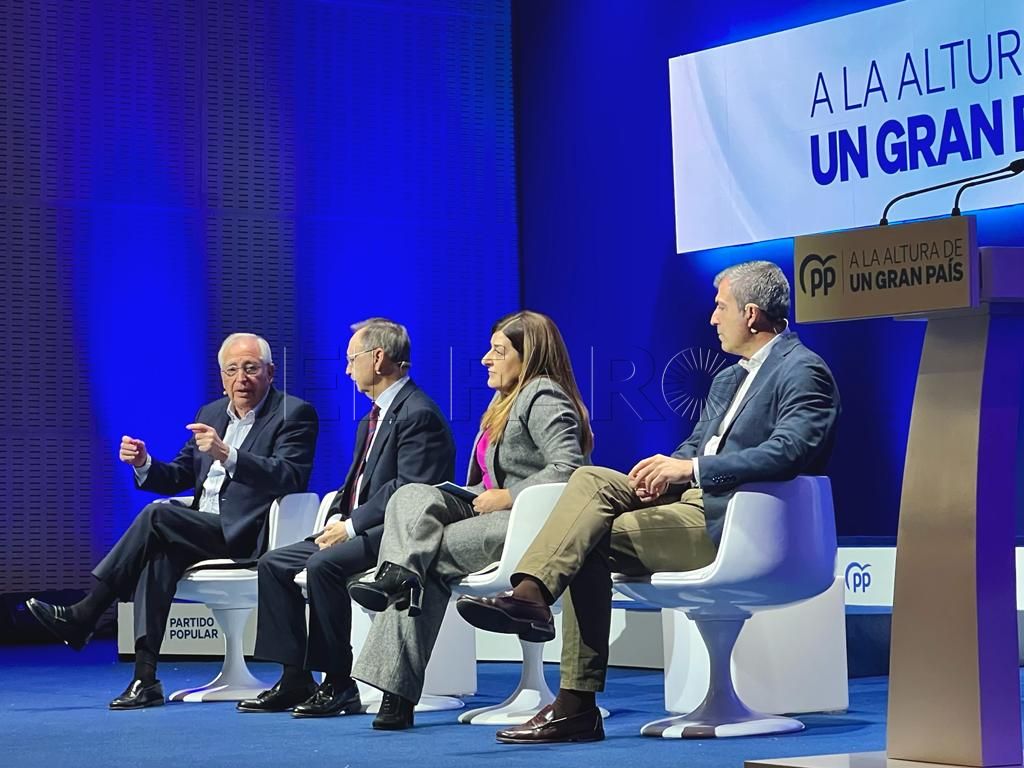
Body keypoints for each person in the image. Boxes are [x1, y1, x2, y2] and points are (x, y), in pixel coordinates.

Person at [457, 261, 841, 744]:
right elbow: (698, 445)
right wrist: (662, 471)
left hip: (735, 522)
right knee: (592, 478)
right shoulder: (728, 379)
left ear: (750, 313)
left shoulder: (803, 369)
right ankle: (533, 601)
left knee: (586, 538)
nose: (712, 318)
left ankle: (571, 694)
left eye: (720, 307)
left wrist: (691, 470)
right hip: (691, 503)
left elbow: (792, 450)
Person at [27, 333, 318, 709]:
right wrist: (143, 463)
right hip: (202, 530)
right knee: (157, 555)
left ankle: (86, 613)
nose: (241, 378)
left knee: (158, 514)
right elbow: (179, 473)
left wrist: (227, 454)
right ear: (222, 377)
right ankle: (144, 679)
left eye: (251, 368)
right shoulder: (210, 413)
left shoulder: (294, 413)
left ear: (271, 372)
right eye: (232, 370)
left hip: (249, 532)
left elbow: (289, 476)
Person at [348, 310, 592, 730]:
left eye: (498, 351)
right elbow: (488, 479)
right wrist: (478, 493)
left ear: (529, 356)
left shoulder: (543, 395)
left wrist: (509, 495)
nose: (485, 359)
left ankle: (397, 690)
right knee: (410, 496)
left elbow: (570, 469)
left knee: (422, 558)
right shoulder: (504, 400)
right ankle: (398, 575)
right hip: (489, 508)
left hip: (527, 523)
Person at [237, 318, 455, 717]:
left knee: (324, 567)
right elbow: (358, 482)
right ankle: (295, 677)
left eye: (352, 359)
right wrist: (339, 513)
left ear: (378, 358)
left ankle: (338, 683)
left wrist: (351, 527)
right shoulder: (372, 417)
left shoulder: (418, 414)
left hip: (397, 535)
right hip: (358, 528)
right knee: (273, 564)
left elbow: (408, 490)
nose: (347, 370)